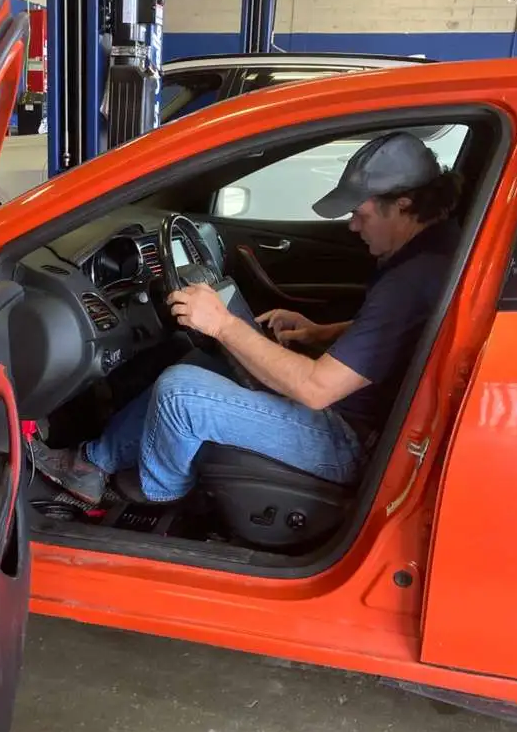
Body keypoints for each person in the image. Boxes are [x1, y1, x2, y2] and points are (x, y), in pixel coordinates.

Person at [30, 131, 462, 505]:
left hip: (350, 440)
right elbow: (399, 333)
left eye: (360, 214)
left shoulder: (413, 277)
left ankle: (159, 491)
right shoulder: (435, 251)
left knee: (179, 393)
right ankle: (92, 462)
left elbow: (316, 390)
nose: (352, 227)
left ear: (403, 204)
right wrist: (321, 332)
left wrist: (223, 324)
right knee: (203, 364)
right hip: (358, 417)